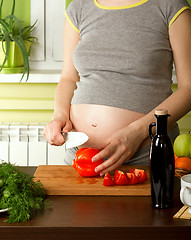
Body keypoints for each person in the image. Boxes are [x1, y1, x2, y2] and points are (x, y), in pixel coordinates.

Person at [43, 0, 191, 177]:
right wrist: (59, 115)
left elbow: (188, 88)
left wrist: (137, 132)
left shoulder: (170, 6)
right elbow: (68, 78)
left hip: (147, 155)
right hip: (80, 157)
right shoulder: (79, 7)